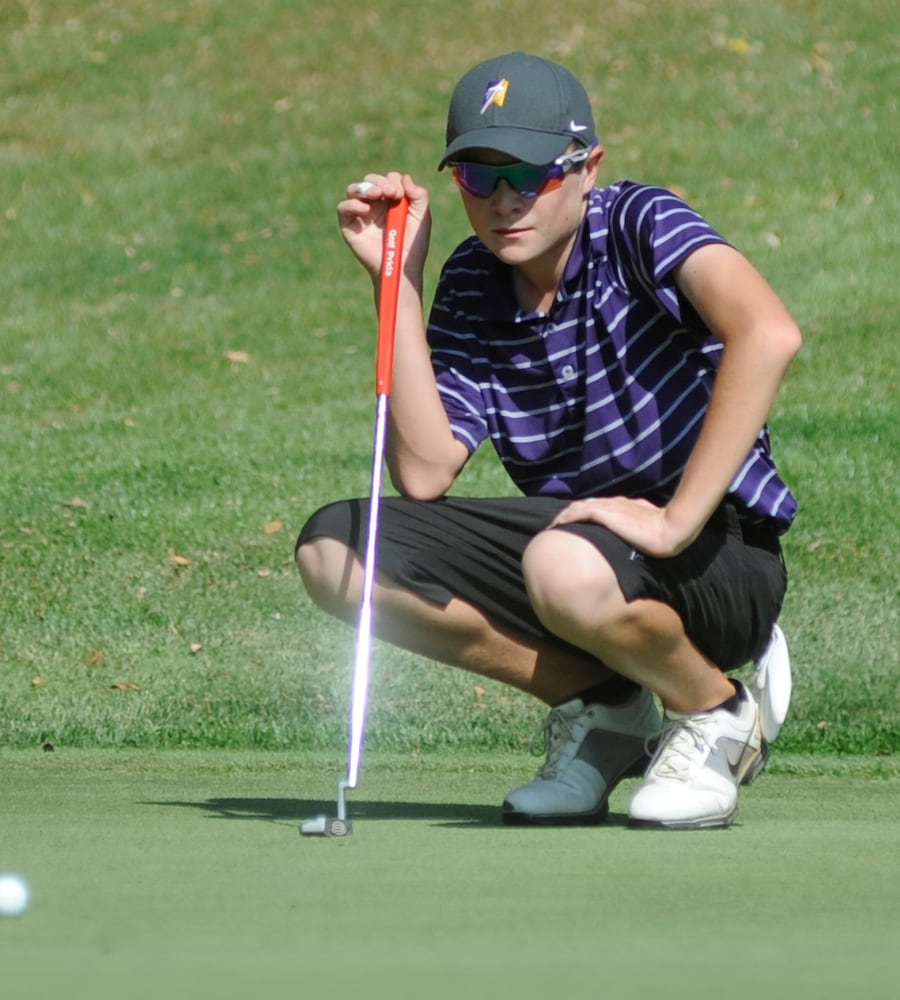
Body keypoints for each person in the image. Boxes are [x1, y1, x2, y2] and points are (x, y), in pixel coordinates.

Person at [296, 52, 800, 830]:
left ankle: (717, 710)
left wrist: (671, 520)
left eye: (529, 174)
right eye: (478, 177)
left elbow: (766, 334)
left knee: (564, 564)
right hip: (577, 552)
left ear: (586, 167)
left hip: (719, 550)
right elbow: (426, 472)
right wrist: (395, 279)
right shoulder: (473, 280)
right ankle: (606, 708)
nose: (504, 201)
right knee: (337, 555)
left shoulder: (640, 222)